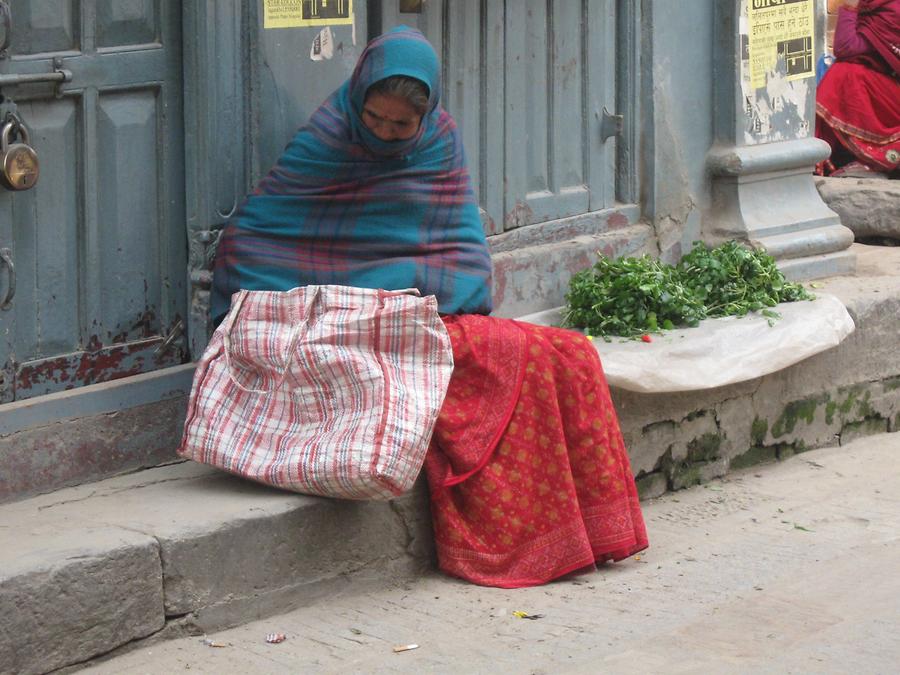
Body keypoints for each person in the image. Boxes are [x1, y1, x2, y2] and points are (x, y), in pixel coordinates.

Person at [212, 26, 647, 588]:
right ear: (358, 100)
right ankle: (521, 543)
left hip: (428, 318)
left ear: (426, 117)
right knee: (508, 360)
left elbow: (459, 252)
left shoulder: (439, 142)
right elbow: (256, 240)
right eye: (375, 120)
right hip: (350, 325)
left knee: (570, 354)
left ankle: (594, 535)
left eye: (401, 125)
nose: (385, 134)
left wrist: (421, 304)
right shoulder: (328, 137)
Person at [815, 0, 900, 177]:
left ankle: (873, 160)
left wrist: (849, 7)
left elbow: (846, 47)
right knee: (841, 71)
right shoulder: (875, 7)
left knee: (845, 75)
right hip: (887, 86)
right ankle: (823, 156)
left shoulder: (892, 10)